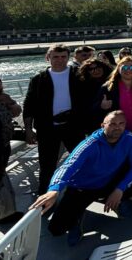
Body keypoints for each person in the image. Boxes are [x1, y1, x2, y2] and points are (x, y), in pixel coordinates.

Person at [29, 111, 132, 246]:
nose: (117, 127)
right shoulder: (90, 143)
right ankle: (77, 217)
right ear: (103, 125)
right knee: (56, 229)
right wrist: (54, 189)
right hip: (83, 187)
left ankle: (118, 201)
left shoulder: (130, 139)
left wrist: (120, 189)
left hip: (109, 181)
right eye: (112, 124)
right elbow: (68, 165)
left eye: (121, 124)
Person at [23, 44, 85, 194]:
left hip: (73, 126)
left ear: (69, 58)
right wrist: (28, 129)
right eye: (55, 57)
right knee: (47, 165)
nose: (60, 60)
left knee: (82, 160)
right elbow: (29, 105)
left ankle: (83, 191)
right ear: (48, 57)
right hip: (47, 128)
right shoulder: (38, 79)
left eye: (63, 56)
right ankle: (44, 196)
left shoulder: (79, 75)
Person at [94, 56, 132, 136]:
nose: (128, 70)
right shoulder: (108, 88)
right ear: (118, 68)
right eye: (124, 67)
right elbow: (94, 110)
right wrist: (101, 106)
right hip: (119, 132)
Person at [77, 58, 113, 134]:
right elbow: (83, 107)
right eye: (91, 69)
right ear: (87, 71)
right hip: (94, 124)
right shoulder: (83, 86)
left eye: (98, 67)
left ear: (104, 67)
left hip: (113, 122)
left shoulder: (113, 82)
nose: (95, 70)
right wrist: (100, 106)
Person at [0, 75, 22, 169]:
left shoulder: (4, 97)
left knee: (3, 162)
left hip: (5, 138)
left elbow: (17, 112)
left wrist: (10, 103)